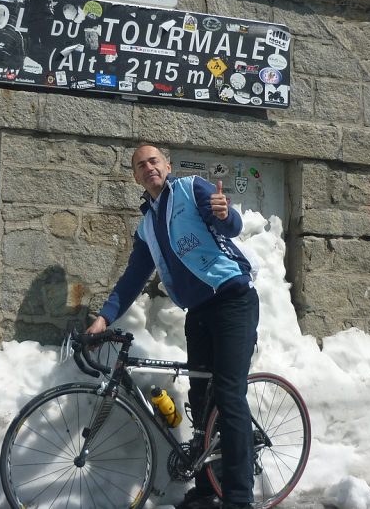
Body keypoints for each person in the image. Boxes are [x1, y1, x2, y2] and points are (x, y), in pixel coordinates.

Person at [86, 144, 259, 509]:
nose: (148, 167)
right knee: (200, 398)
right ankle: (209, 485)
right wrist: (103, 318)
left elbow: (230, 225)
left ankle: (239, 498)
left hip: (232, 301)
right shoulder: (147, 224)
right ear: (135, 176)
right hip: (198, 312)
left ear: (167, 165)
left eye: (153, 161)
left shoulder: (191, 188)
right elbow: (133, 278)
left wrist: (226, 215)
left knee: (228, 396)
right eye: (140, 165)